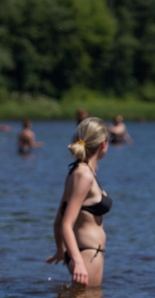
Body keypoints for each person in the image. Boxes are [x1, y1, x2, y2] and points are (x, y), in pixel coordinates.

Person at [46, 117, 112, 287]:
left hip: (84, 253)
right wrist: (78, 262)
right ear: (103, 144)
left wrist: (61, 251)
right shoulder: (84, 176)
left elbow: (58, 219)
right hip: (87, 255)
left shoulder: (78, 171)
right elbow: (66, 224)